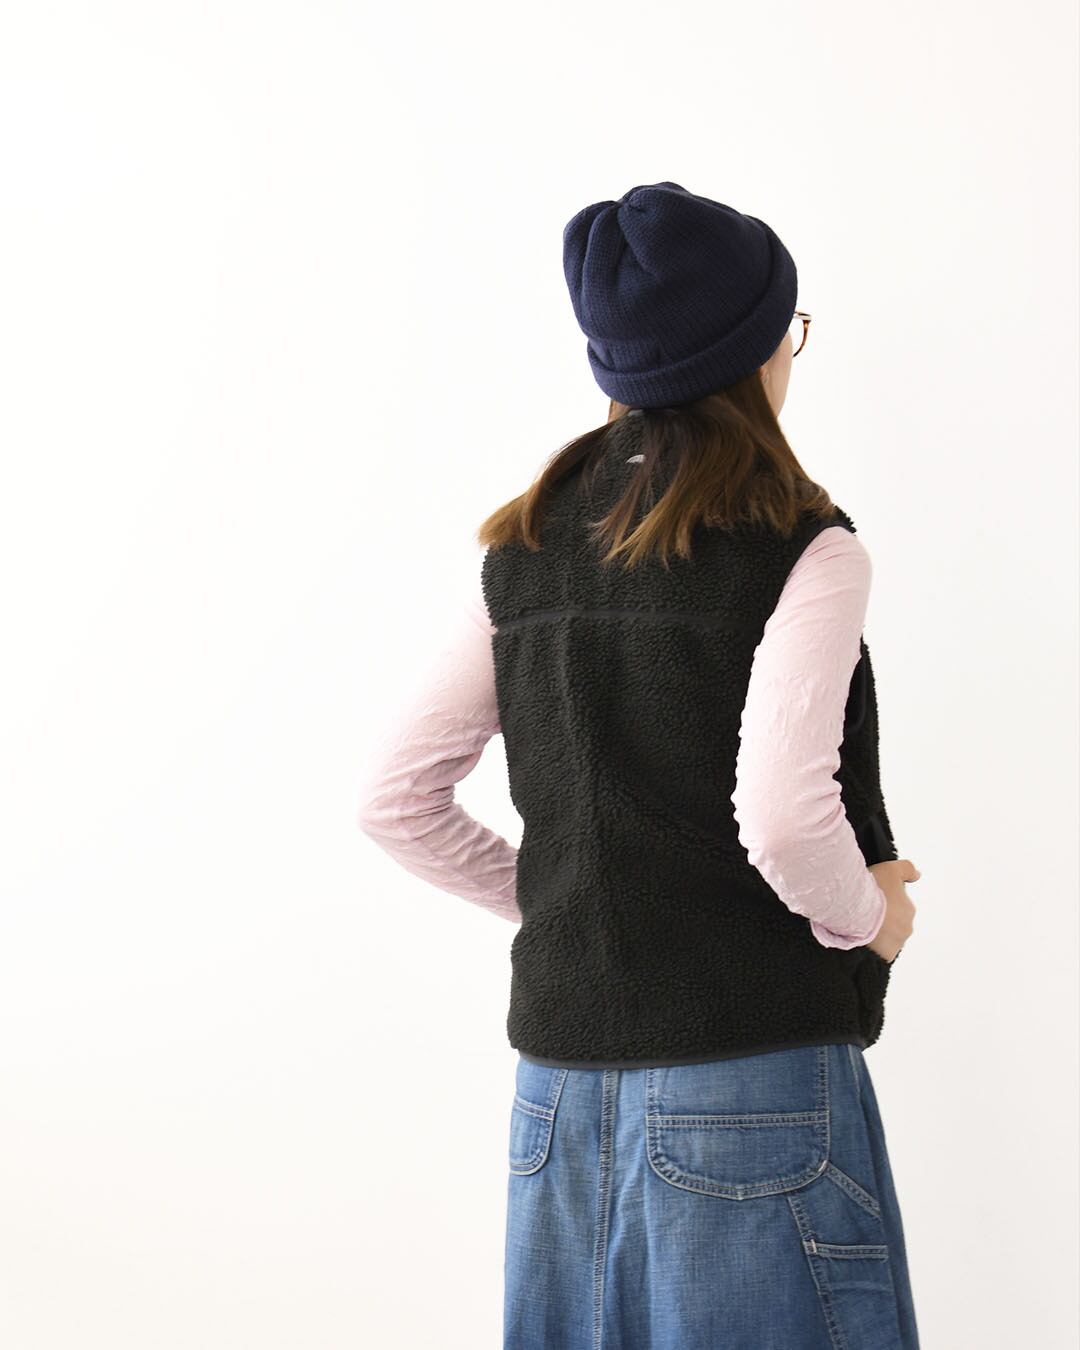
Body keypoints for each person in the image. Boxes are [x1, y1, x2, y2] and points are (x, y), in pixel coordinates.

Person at [357, 181, 921, 1349]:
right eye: (787, 329)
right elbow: (783, 817)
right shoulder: (804, 546)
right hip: (752, 1083)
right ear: (753, 351)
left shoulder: (522, 546)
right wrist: (870, 919)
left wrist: (568, 901)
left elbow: (396, 800)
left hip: (556, 1099)